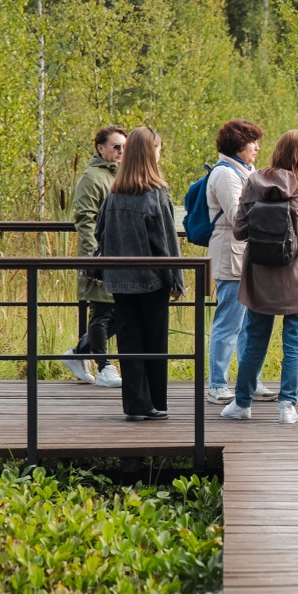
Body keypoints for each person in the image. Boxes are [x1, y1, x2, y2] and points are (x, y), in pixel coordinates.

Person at [221, 130, 298, 425]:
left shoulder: (254, 181)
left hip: (260, 274)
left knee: (254, 339)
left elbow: (240, 230)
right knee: (294, 341)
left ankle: (242, 403)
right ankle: (287, 406)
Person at [94, 127, 183, 422]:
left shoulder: (114, 196)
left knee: (130, 342)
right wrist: (176, 280)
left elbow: (100, 235)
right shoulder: (156, 195)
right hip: (152, 280)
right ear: (151, 153)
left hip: (120, 280)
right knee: (155, 341)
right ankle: (157, 402)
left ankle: (136, 405)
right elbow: (167, 243)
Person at [205, 119, 277, 404]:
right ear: (238, 145)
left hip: (246, 253)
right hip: (229, 253)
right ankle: (218, 384)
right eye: (252, 142)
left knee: (248, 322)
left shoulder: (245, 171)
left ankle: (250, 379)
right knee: (229, 321)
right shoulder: (224, 174)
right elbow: (238, 215)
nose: (257, 147)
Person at [63, 125, 125, 388]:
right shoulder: (92, 177)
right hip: (101, 255)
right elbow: (85, 220)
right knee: (101, 310)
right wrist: (93, 259)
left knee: (121, 312)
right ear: (101, 148)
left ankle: (78, 354)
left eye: (125, 147)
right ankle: (104, 366)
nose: (121, 152)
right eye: (116, 147)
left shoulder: (119, 174)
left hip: (119, 254)